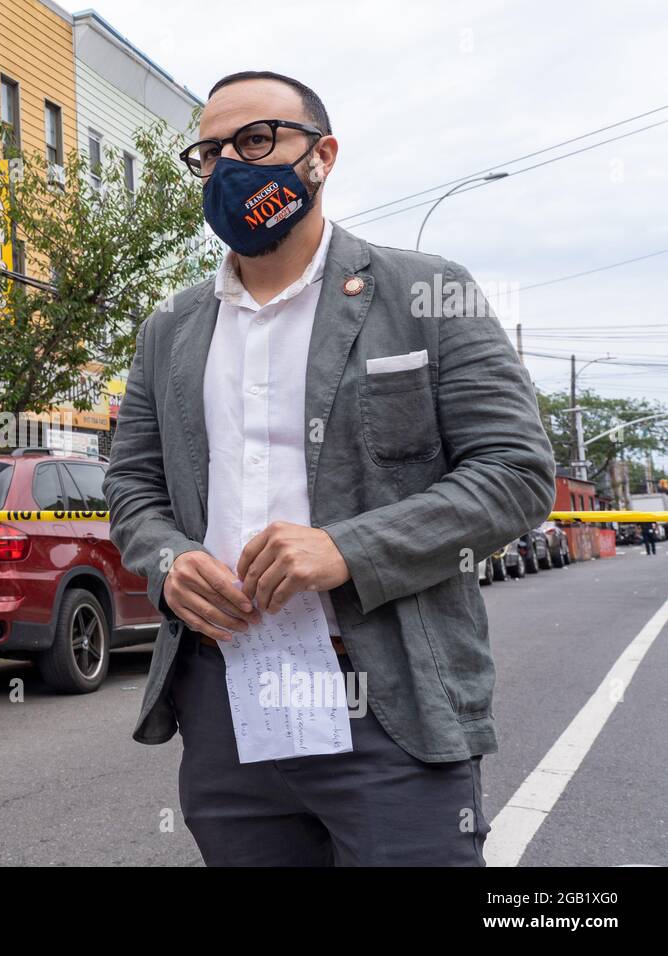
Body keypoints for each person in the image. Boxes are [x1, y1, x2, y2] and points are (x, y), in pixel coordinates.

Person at [104, 70, 555, 866]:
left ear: (323, 155)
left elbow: (515, 473)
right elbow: (133, 486)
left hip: (388, 696)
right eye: (209, 153)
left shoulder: (426, 292)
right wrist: (171, 562)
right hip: (225, 700)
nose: (230, 166)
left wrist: (346, 549)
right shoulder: (170, 327)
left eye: (256, 140)